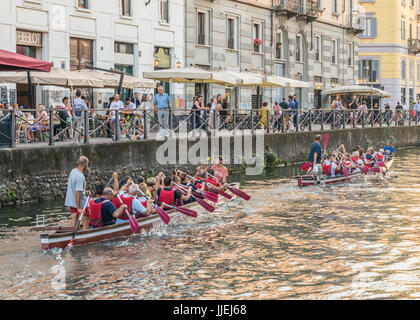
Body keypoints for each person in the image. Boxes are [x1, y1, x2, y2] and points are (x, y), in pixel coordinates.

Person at [64, 156, 90, 230]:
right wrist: (78, 208)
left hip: (72, 202)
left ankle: (71, 234)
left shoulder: (73, 171)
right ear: (85, 164)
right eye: (87, 164)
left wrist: (85, 191)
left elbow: (76, 187)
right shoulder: (80, 177)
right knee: (85, 222)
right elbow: (77, 192)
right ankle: (85, 236)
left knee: (74, 222)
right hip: (81, 204)